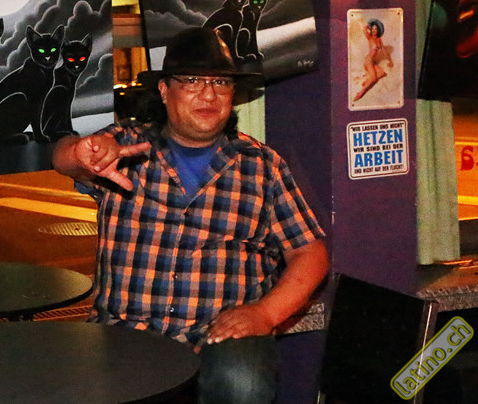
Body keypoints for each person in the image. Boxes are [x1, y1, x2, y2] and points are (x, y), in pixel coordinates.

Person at [52, 27, 328, 404]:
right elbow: (65, 157)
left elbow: (310, 252)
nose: (209, 94)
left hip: (221, 333)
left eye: (221, 82)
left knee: (243, 383)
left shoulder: (262, 166)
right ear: (165, 91)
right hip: (127, 330)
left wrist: (265, 314)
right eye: (193, 81)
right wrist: (79, 153)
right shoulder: (124, 148)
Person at [354, 19, 393, 101]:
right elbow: (364, 29)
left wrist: (390, 60)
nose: (374, 31)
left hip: (373, 62)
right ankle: (361, 92)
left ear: (378, 30)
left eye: (376, 29)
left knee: (382, 73)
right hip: (368, 61)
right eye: (373, 29)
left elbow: (384, 50)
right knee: (374, 78)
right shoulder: (369, 38)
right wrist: (370, 25)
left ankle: (367, 80)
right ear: (371, 30)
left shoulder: (379, 39)